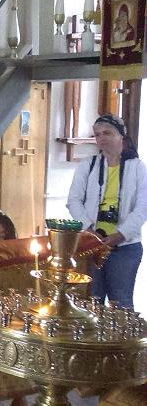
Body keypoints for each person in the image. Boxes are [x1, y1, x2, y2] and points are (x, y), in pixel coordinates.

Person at [67, 114, 147, 308]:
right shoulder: (88, 165)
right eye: (97, 134)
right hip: (91, 244)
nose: (101, 138)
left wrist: (121, 234)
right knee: (89, 301)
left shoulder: (138, 167)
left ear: (121, 136)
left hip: (125, 247)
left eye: (107, 133)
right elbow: (74, 201)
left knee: (121, 303)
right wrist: (89, 230)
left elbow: (143, 206)